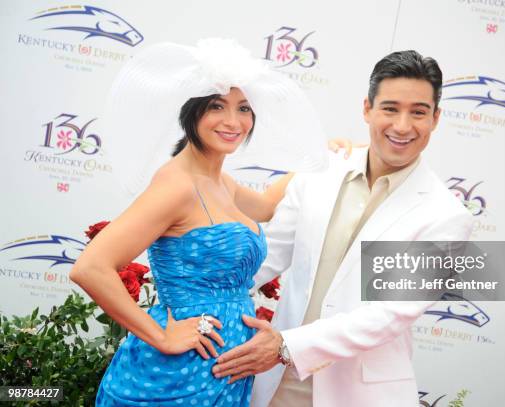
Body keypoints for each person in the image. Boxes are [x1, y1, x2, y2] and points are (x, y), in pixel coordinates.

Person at [69, 38, 340, 406]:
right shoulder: (176, 185)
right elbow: (91, 267)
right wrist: (162, 336)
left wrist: (324, 159)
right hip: (176, 376)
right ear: (191, 112)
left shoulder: (219, 181)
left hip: (225, 369)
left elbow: (265, 207)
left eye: (244, 108)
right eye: (217, 106)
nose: (233, 121)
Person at [212, 50, 474, 407]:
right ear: (367, 108)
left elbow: (388, 314)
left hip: (360, 395)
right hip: (274, 387)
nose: (402, 125)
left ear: (436, 118)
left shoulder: (447, 215)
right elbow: (264, 258)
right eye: (390, 108)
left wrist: (286, 347)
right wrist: (194, 300)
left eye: (418, 112)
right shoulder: (320, 170)